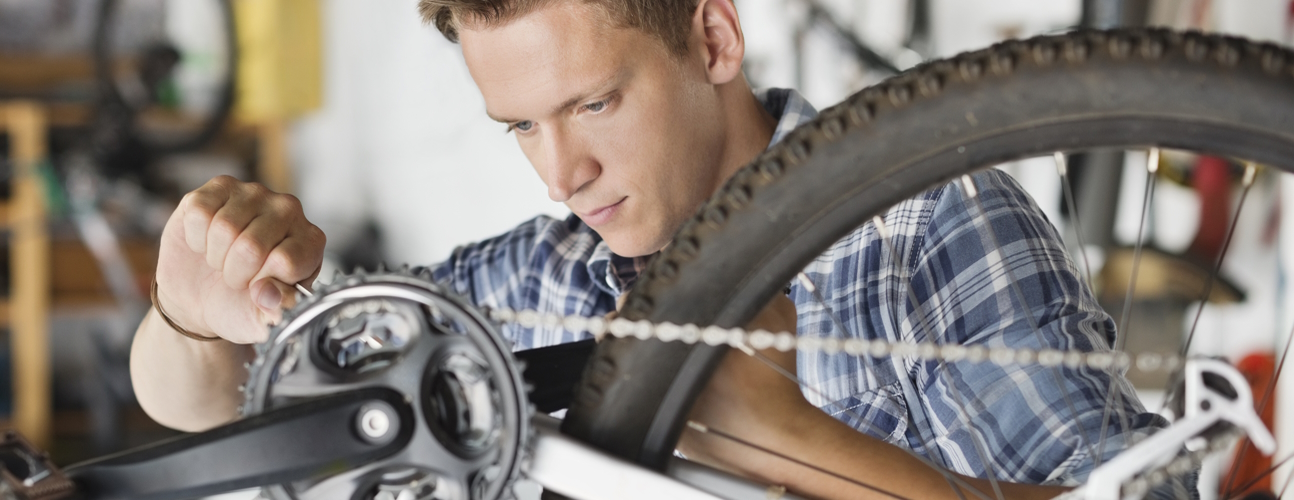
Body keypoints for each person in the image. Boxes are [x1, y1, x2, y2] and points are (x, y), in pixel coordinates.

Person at [131, 1, 1173, 498]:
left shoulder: (922, 227)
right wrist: (190, 310)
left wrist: (792, 437)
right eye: (523, 127)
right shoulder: (538, 277)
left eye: (594, 103)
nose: (561, 173)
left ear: (714, 42)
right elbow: (231, 406)